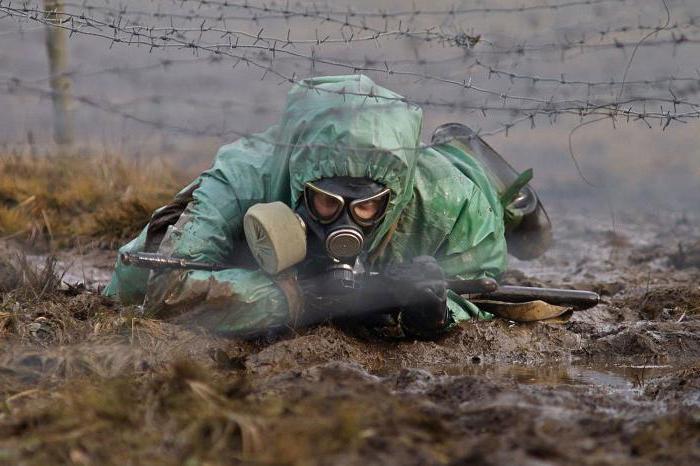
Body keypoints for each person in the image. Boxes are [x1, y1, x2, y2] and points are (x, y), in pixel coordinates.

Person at [104, 74, 550, 339]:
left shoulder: (451, 200)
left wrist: (432, 311)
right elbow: (158, 289)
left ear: (394, 197)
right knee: (132, 281)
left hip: (462, 180)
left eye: (367, 208)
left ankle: (465, 150)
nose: (343, 222)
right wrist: (304, 297)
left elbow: (486, 280)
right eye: (325, 201)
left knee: (529, 236)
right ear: (299, 182)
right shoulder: (245, 178)